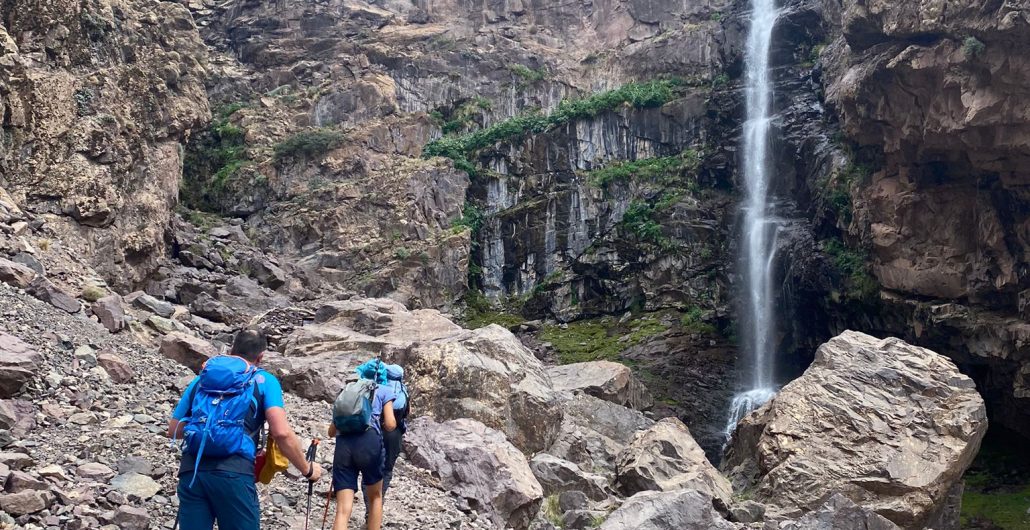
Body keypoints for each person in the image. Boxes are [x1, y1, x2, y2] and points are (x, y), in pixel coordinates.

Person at [167, 329, 323, 530]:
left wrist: (207, 429)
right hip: (234, 471)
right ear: (260, 357)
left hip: (192, 471)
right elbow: (281, 432)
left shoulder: (202, 379)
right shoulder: (263, 380)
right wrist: (307, 469)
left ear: (232, 349)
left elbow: (173, 430)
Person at [329, 363, 397, 530]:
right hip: (369, 442)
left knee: (342, 510)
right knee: (375, 497)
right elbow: (390, 424)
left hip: (343, 444)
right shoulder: (383, 389)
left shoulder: (350, 390)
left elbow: (331, 431)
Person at [380, 364, 409, 496]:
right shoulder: (403, 390)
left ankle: (370, 504)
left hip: (378, 430)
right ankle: (380, 499)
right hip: (395, 433)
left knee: (373, 468)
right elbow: (408, 411)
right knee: (387, 469)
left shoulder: (380, 386)